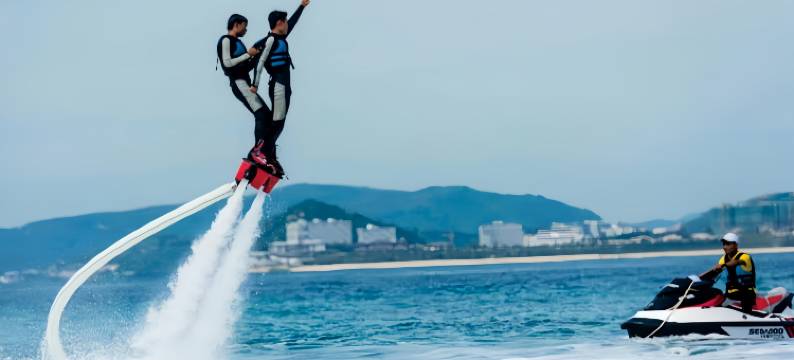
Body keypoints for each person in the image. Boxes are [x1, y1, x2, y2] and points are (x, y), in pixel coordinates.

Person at [250, 0, 310, 176]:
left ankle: (268, 156)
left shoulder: (280, 38)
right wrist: (255, 84)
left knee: (278, 123)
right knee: (277, 123)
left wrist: (302, 7)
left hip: (283, 86)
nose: (287, 25)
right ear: (279, 23)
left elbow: (292, 23)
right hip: (278, 86)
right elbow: (259, 62)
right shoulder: (270, 40)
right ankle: (260, 153)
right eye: (284, 21)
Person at [216, 14, 279, 175]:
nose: (246, 29)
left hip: (245, 82)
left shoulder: (239, 42)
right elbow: (227, 63)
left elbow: (245, 65)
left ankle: (266, 154)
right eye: (244, 25)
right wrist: (249, 54)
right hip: (238, 83)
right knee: (262, 114)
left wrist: (257, 55)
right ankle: (258, 152)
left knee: (266, 115)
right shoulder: (226, 40)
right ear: (236, 24)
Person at [700, 232, 757, 313]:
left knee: (746, 299)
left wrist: (723, 265)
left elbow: (736, 262)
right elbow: (715, 271)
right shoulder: (723, 259)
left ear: (736, 245)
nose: (724, 247)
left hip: (746, 294)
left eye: (728, 244)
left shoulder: (745, 257)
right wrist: (699, 278)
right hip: (731, 295)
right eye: (724, 244)